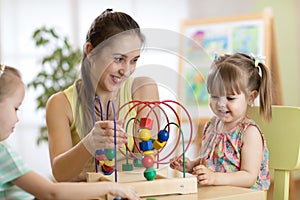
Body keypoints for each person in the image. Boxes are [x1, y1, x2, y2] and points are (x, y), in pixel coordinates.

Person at [46, 9, 159, 182]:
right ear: (91, 51)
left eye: (134, 60)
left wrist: (85, 173)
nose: (126, 71)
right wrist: (89, 143)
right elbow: (61, 174)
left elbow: (146, 163)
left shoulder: (144, 90)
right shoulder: (60, 104)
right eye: (118, 59)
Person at [0, 65, 139, 200]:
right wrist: (111, 187)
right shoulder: (3, 152)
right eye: (16, 108)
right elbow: (51, 193)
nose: (17, 118)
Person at [170, 52, 272, 191]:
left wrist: (214, 178)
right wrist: (192, 165)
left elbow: (249, 177)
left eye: (230, 98)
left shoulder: (249, 132)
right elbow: (213, 160)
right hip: (214, 193)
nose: (221, 104)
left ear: (250, 97)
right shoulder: (212, 125)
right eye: (215, 96)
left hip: (242, 195)